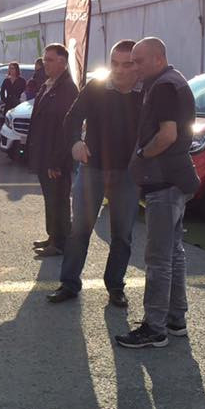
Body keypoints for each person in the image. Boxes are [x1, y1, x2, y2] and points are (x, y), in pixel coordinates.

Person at [116, 37, 200, 349]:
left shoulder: (164, 86)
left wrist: (141, 155)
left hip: (164, 182)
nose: (133, 67)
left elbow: (167, 135)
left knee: (158, 258)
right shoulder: (171, 82)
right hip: (176, 179)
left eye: (138, 61)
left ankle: (155, 328)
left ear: (158, 59)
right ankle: (175, 320)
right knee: (173, 253)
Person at [47, 40, 143, 307]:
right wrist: (76, 141)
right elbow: (72, 118)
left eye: (127, 64)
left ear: (138, 66)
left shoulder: (146, 92)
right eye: (114, 63)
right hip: (93, 168)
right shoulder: (97, 87)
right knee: (80, 230)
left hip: (127, 174)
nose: (120, 70)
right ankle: (69, 283)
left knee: (122, 234)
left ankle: (115, 286)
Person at [29, 44, 79, 258]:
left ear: (62, 62)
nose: (45, 63)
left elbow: (66, 128)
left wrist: (56, 161)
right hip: (44, 153)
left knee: (59, 199)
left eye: (50, 60)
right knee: (50, 198)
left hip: (56, 157)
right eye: (45, 59)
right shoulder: (48, 84)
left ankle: (61, 242)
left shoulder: (67, 88)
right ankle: (53, 236)